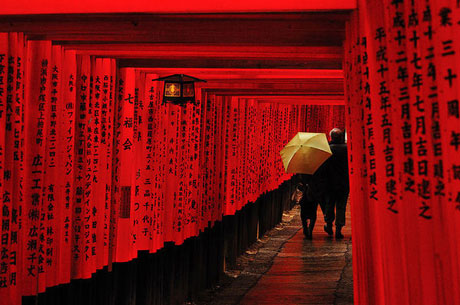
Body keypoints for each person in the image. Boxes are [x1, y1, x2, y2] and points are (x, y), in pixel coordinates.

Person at [322, 128, 349, 239]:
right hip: (343, 183)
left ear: (331, 137)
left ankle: (329, 225)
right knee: (341, 206)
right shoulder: (347, 149)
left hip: (330, 183)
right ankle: (338, 229)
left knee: (329, 204)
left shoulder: (327, 149)